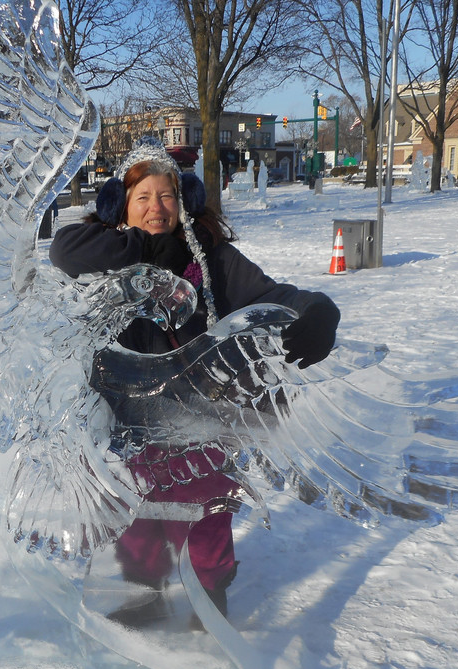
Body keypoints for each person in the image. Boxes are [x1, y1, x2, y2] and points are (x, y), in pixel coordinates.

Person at [49, 137, 340, 628]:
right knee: (134, 512)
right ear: (122, 205)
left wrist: (315, 312)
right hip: (125, 413)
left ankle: (210, 600)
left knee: (205, 508)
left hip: (199, 414)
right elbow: (63, 250)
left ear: (182, 201)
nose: (156, 208)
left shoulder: (208, 257)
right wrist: (141, 247)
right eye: (142, 197)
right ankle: (145, 594)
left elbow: (272, 294)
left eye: (166, 196)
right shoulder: (109, 254)